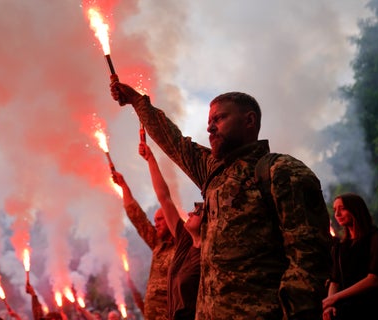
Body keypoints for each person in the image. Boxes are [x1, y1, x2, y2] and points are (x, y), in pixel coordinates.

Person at [110, 80, 332, 318]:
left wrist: (294, 312)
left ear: (249, 120)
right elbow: (174, 142)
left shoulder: (281, 171)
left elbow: (309, 256)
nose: (210, 128)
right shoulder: (213, 172)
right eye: (209, 122)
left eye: (219, 119)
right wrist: (137, 101)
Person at [138, 142, 201, 320]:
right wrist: (150, 159)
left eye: (197, 211)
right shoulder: (185, 241)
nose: (189, 212)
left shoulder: (209, 250)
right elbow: (164, 198)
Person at [112, 168, 176, 320]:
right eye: (154, 221)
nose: (156, 224)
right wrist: (124, 187)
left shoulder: (184, 246)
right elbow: (138, 218)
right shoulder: (158, 244)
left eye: (160, 219)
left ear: (170, 218)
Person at [322, 193, 378, 320]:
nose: (337, 214)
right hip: (347, 310)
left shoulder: (376, 239)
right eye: (335, 210)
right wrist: (330, 304)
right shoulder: (340, 247)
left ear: (356, 210)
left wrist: (335, 298)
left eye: (342, 208)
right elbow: (335, 281)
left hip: (374, 308)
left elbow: (374, 279)